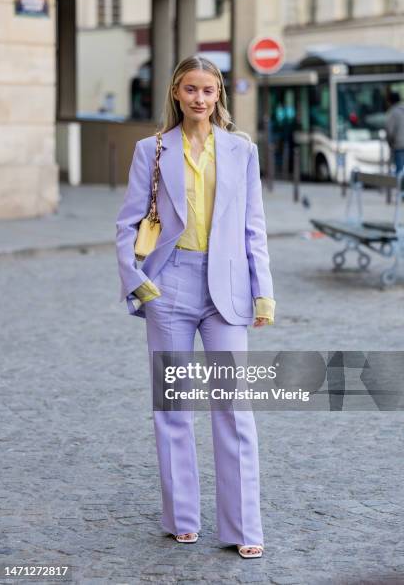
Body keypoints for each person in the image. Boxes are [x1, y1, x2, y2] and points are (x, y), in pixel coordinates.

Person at [115, 55, 276, 559]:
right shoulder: (152, 149)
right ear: (176, 93)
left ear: (219, 93)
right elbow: (128, 222)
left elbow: (255, 225)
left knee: (234, 407)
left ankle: (244, 527)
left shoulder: (241, 150)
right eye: (190, 89)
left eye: (208, 90)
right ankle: (182, 517)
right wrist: (138, 284)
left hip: (226, 289)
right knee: (174, 407)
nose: (199, 98)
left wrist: (262, 291)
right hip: (170, 287)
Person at [386, 91, 404, 180]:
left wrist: (390, 143)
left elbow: (390, 131)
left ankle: (400, 192)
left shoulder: (393, 112)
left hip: (399, 145)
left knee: (400, 172)